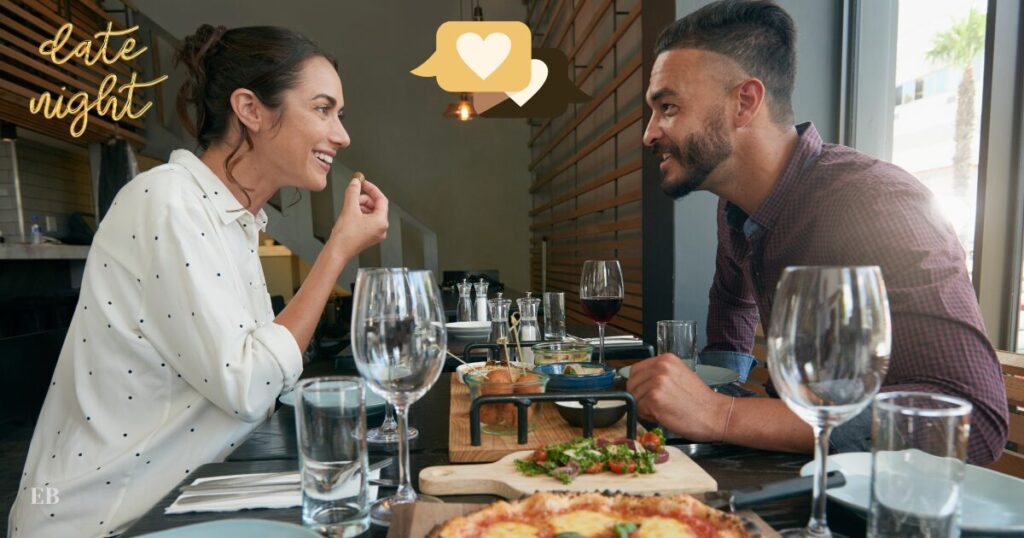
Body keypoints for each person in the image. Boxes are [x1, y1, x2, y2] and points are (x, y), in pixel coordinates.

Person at [8, 25, 389, 537]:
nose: (341, 135)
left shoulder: (231, 219)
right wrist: (336, 249)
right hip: (105, 521)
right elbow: (249, 387)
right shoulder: (167, 203)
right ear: (250, 109)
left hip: (182, 499)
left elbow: (264, 380)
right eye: (323, 109)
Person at [627, 0, 1008, 464]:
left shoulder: (882, 203)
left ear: (744, 102)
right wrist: (718, 387)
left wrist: (720, 413)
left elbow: (976, 421)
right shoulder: (735, 207)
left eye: (668, 108)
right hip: (796, 473)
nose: (649, 133)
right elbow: (731, 300)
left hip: (886, 496)